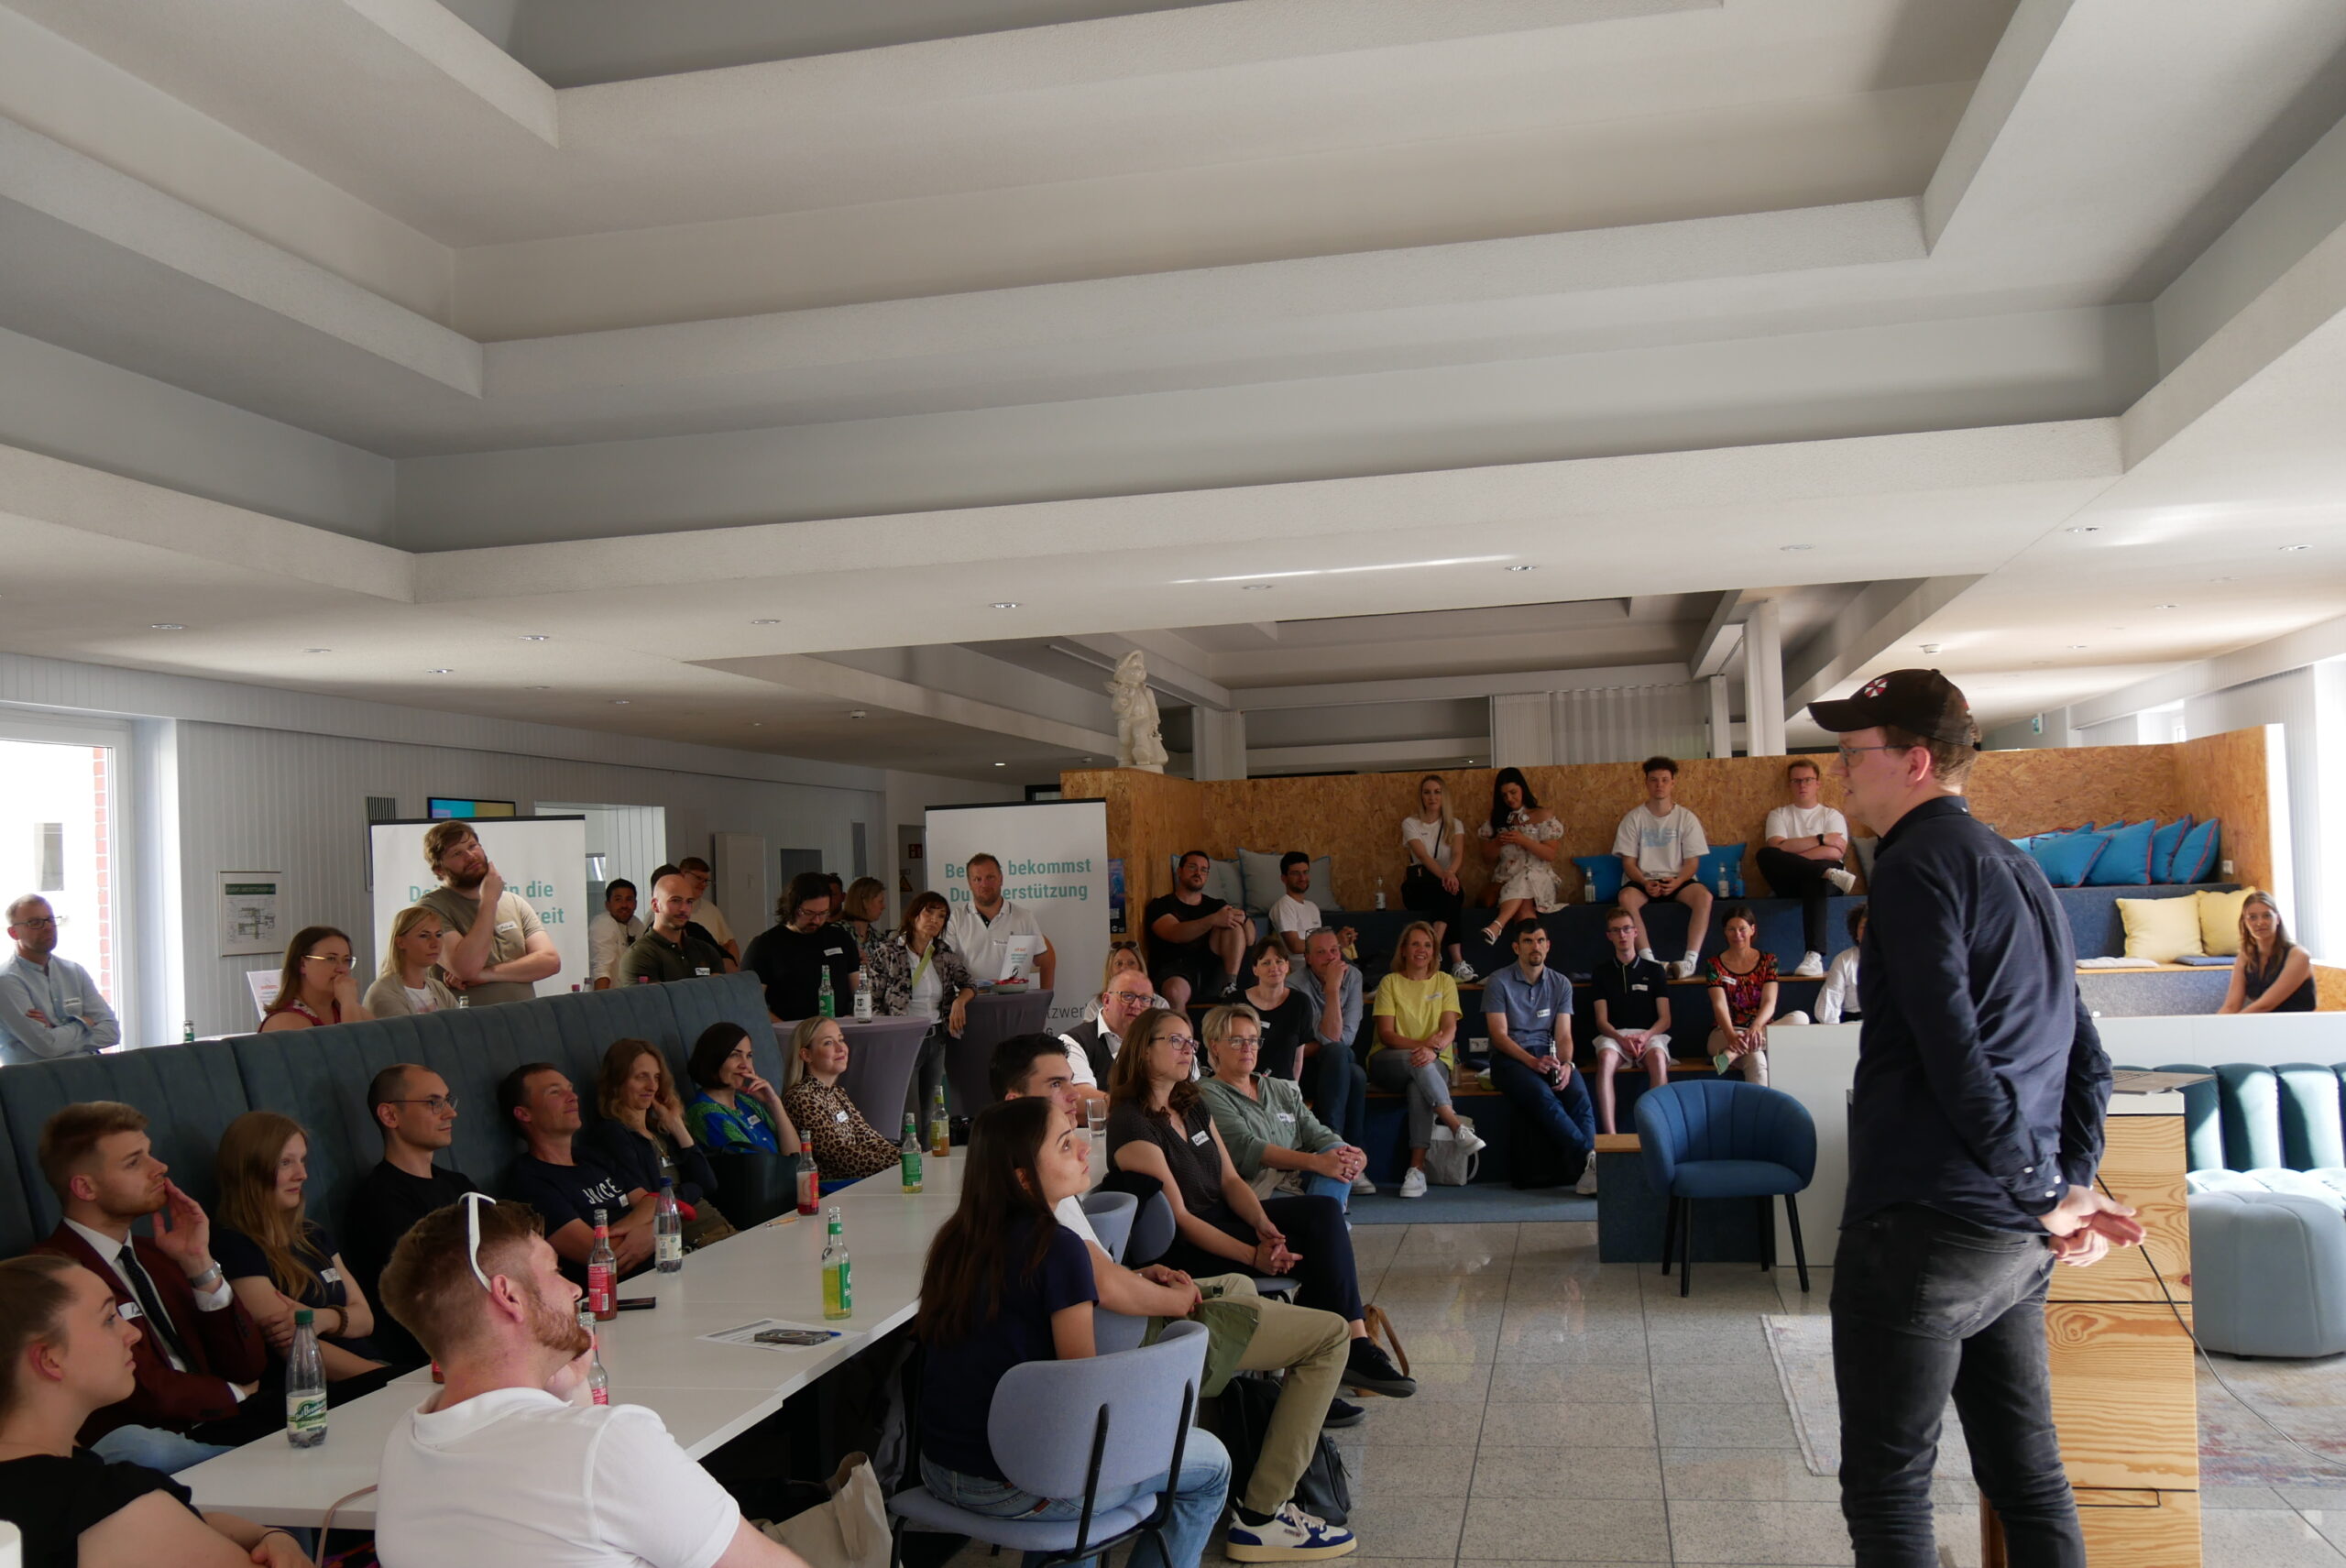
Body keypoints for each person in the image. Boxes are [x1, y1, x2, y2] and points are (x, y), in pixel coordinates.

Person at [1810, 667, 2139, 1568]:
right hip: (2007, 1244)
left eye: (1852, 754)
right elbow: (2087, 1057)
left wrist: (2045, 1191)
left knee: (1888, 1488)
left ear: (1915, 760)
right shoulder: (2018, 865)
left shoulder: (1915, 867)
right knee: (2027, 1478)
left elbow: (1952, 1053)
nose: (1840, 772)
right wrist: (2063, 1185)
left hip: (1923, 1228)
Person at [992, 1037, 1392, 1538]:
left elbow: (1102, 1276)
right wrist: (1177, 1297)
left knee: (1241, 1285)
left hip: (1108, 1338)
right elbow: (1090, 1350)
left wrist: (1151, 1275)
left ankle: (1236, 1405)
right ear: (1016, 1106)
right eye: (1056, 1085)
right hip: (1120, 1354)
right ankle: (1264, 1514)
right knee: (1328, 1334)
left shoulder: (1021, 1194)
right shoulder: (1069, 1188)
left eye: (1070, 1082)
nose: (1073, 1096)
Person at [373, 1196, 806, 1568]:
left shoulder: (404, 1443)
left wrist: (569, 1394)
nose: (574, 1290)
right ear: (509, 1296)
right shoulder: (609, 1445)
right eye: (555, 1270)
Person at [912, 1096, 1253, 1568]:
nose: (1082, 1152)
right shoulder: (1058, 1248)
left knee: (1064, 1454)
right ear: (1023, 1178)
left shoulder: (953, 1241)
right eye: (1065, 1145)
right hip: (1016, 1484)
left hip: (938, 1468)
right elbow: (1082, 1396)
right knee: (1212, 1465)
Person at [1107, 1012, 1407, 1399]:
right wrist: (1254, 1256)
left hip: (1223, 1217)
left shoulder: (1191, 1104)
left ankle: (1347, 1350)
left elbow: (1230, 1180)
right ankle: (1320, 1375)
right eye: (1176, 1041)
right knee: (1315, 1250)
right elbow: (1180, 1219)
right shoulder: (1132, 1124)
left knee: (1322, 1214)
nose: (1187, 1050)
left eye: (1190, 1042)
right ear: (1144, 1051)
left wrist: (1265, 1226)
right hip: (1187, 1246)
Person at [0, 1254, 314, 1568]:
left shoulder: (74, 1484)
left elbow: (182, 1521)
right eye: (109, 1319)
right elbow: (148, 1521)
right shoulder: (99, 1500)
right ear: (50, 1359)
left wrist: (267, 1535)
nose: (132, 1334)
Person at [31, 1102, 266, 1471]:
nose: (160, 1168)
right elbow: (135, 1388)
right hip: (151, 1442)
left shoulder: (160, 1254)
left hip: (223, 1421)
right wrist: (234, 1394)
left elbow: (247, 1362)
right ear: (84, 1187)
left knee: (369, 1395)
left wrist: (200, 1265)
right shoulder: (54, 1273)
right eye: (134, 1162)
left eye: (150, 1153)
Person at [211, 1111, 388, 1394]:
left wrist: (323, 1318)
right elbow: (296, 1347)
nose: (302, 1174)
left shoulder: (312, 1234)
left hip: (373, 1373)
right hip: (321, 1393)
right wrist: (388, 1378)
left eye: (302, 1160)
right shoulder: (235, 1246)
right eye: (285, 1163)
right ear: (249, 1171)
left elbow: (366, 1319)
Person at [345, 1065, 479, 1367]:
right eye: (434, 1103)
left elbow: (505, 1248)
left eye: (448, 1100)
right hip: (432, 1355)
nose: (450, 1113)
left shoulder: (459, 1184)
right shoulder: (378, 1199)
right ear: (390, 1115)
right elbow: (436, 1285)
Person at [497, 1064, 655, 1281]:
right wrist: (658, 1231)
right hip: (618, 1294)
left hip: (665, 1267)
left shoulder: (593, 1157)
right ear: (524, 1114)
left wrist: (648, 1229)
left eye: (570, 1089)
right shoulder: (528, 1181)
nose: (573, 1097)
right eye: (555, 1092)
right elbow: (604, 1256)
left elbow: (653, 1202)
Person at [1200, 1005, 1367, 1211]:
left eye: (1253, 1040)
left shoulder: (1279, 1088)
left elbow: (1318, 1133)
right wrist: (1316, 1162)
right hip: (1256, 1191)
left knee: (1337, 1154)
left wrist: (1353, 1155)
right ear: (1215, 1046)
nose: (1248, 1047)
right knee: (1325, 1193)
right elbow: (1247, 1146)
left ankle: (1326, 1221)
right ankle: (1326, 1222)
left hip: (1295, 1183)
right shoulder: (1207, 1092)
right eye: (1236, 1040)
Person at [1367, 921, 1483, 1199]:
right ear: (1404, 950)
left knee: (1418, 1084)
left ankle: (1416, 1170)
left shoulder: (1444, 981)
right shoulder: (1390, 982)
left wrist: (1435, 1049)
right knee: (1417, 1062)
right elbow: (1387, 1035)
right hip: (1388, 1062)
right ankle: (1456, 1126)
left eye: (1428, 945)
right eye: (1415, 944)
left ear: (1434, 952)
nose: (1421, 950)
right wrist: (1424, 1048)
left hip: (1433, 1063)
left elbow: (1450, 1028)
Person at [1483, 920, 1598, 1194]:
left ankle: (1591, 1166)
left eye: (1540, 941)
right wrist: (1531, 1062)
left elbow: (1564, 1036)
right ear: (1516, 947)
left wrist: (1568, 1065)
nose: (1535, 946)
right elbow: (1499, 1036)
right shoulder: (1499, 981)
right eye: (1528, 941)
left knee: (1579, 1095)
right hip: (1509, 1059)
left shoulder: (1560, 983)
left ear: (1548, 946)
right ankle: (1591, 1161)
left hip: (1549, 1056)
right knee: (1543, 1097)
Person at [581, 1038, 727, 1239]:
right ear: (617, 1081)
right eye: (642, 1077)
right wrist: (692, 1189)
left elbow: (708, 1183)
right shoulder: (613, 1133)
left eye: (657, 1078)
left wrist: (677, 1126)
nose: (652, 1086)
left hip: (714, 1223)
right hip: (687, 1237)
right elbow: (651, 1202)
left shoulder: (660, 1131)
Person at [416, 821, 559, 1005]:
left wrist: (486, 974)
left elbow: (550, 961)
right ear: (439, 869)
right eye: (457, 853)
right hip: (469, 1025)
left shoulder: (514, 902)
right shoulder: (430, 909)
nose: (470, 856)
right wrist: (489, 901)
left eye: (472, 846)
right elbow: (465, 968)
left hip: (523, 1020)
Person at [865, 890, 977, 1121]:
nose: (935, 920)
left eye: (941, 916)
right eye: (930, 913)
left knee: (932, 1109)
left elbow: (969, 983)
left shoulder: (943, 952)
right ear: (914, 915)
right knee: (909, 1110)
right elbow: (871, 999)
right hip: (902, 1039)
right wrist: (888, 1032)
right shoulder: (888, 952)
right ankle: (913, 1155)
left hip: (936, 1036)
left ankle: (931, 1154)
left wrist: (960, 1001)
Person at [1612, 755, 1714, 980]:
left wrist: (1677, 882)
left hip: (1678, 880)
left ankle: (1689, 962)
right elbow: (1628, 863)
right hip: (1643, 879)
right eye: (1654, 780)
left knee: (1704, 897)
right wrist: (1644, 882)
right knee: (1626, 898)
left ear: (1672, 783)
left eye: (1664, 780)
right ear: (1646, 783)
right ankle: (1649, 960)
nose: (1659, 785)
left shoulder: (1686, 818)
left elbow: (1692, 863)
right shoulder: (1633, 818)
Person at [1760, 757, 1859, 978]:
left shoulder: (1831, 815)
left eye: (1807, 780)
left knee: (1813, 878)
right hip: (1791, 882)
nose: (1802, 785)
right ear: (1789, 784)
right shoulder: (1779, 815)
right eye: (1796, 781)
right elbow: (1775, 847)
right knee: (1766, 854)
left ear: (1818, 783)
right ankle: (1825, 871)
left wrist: (1791, 850)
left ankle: (1814, 956)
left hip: (1827, 883)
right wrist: (1822, 838)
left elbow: (1835, 852)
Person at [0, 894, 120, 1065]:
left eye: (50, 920)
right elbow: (47, 1046)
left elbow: (112, 1032)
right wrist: (83, 1023)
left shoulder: (74, 972)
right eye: (35, 923)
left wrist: (56, 1031)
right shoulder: (6, 981)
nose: (47, 927)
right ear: (13, 933)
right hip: (34, 1083)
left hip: (86, 1077)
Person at [781, 1017, 900, 1182]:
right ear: (806, 1055)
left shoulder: (836, 1093)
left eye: (841, 1040)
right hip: (834, 1190)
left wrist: (906, 1156)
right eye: (828, 1043)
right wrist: (899, 1164)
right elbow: (840, 1154)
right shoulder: (802, 1098)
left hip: (858, 1182)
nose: (840, 1048)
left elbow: (869, 1138)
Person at [1589, 906, 1672, 1135]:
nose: (1622, 935)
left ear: (1635, 932)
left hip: (1650, 1034)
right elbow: (1601, 1021)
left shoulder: (1655, 971)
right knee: (1605, 1058)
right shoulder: (1601, 973)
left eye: (1626, 929)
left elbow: (1665, 1019)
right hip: (1614, 1036)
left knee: (1657, 1057)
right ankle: (1611, 1135)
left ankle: (1659, 1132)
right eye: (1616, 931)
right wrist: (1620, 1039)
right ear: (1609, 936)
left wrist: (1645, 1036)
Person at [1289, 929, 1369, 1159]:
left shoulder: (1353, 976)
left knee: (1338, 1054)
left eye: (1334, 950)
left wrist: (1333, 988)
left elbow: (1345, 1038)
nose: (1331, 957)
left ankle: (1334, 1147)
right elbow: (1330, 1038)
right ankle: (1344, 1151)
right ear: (1308, 958)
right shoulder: (1295, 985)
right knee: (1355, 1075)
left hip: (1335, 1060)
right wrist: (1332, 989)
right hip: (1305, 1068)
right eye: (1321, 952)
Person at [741, 872, 863, 1022]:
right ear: (792, 907)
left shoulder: (840, 938)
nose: (816, 920)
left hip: (837, 1032)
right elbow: (750, 1005)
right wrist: (789, 1031)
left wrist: (854, 1017)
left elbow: (859, 991)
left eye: (823, 913)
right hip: (788, 1033)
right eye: (809, 913)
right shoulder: (765, 945)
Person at [1146, 850, 1255, 1010]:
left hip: (1212, 971)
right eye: (1192, 867)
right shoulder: (1160, 905)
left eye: (1204, 870)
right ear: (1180, 871)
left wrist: (1243, 919)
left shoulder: (1217, 905)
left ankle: (1230, 985)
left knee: (1233, 925)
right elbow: (1175, 933)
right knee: (1175, 992)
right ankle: (1182, 1033)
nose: (1198, 873)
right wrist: (1212, 920)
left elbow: (1250, 939)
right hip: (1175, 969)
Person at [1474, 768, 1564, 947]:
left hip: (1540, 878)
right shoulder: (1496, 821)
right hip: (1507, 880)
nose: (1509, 798)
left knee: (1526, 876)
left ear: (1523, 789)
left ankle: (1497, 925)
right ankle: (1534, 958)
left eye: (1513, 792)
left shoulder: (1543, 816)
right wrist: (1498, 843)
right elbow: (1487, 858)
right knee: (1524, 909)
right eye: (1504, 795)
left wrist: (1524, 840)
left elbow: (1550, 854)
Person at [682, 1023, 801, 1155]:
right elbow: (754, 1167)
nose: (745, 1065)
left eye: (749, 1056)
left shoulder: (747, 1102)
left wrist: (774, 1103)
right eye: (735, 1055)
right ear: (713, 1059)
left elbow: (796, 1156)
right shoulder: (703, 1112)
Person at [1400, 773, 1475, 981]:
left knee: (1451, 894)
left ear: (1444, 796)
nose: (1432, 797)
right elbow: (1423, 856)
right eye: (1427, 792)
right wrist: (1446, 875)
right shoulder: (1410, 823)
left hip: (1445, 883)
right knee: (1452, 893)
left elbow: (1458, 854)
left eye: (1437, 792)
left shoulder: (1454, 824)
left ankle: (1444, 954)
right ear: (1421, 797)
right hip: (1418, 886)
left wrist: (1449, 873)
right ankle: (1450, 958)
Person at [948, 852, 1058, 990]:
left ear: (1001, 879)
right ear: (969, 883)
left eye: (990, 877)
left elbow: (1045, 960)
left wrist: (1044, 999)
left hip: (1012, 1003)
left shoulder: (1024, 917)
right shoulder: (956, 918)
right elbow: (946, 965)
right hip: (970, 1004)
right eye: (977, 879)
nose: (984, 884)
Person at [1704, 905, 1787, 1085]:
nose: (1737, 934)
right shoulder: (1714, 964)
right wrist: (1731, 1035)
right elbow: (1719, 1005)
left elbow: (1769, 1002)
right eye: (1731, 929)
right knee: (1756, 1058)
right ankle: (1761, 1113)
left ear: (1752, 930)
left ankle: (1731, 1054)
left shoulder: (1769, 961)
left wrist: (1756, 1027)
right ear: (1725, 932)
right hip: (1724, 1033)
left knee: (1801, 1019)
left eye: (1742, 929)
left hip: (1761, 1031)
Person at [1058, 970, 1155, 1113]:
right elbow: (1079, 1098)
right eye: (1127, 996)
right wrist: (1144, 1112)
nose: (1136, 1005)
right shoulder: (1073, 1041)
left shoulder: (1159, 1039)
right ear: (1107, 1000)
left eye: (1145, 999)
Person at [614, 871, 730, 987]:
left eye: (689, 902)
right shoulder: (640, 956)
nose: (684, 908)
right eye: (675, 900)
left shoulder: (706, 951)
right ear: (655, 905)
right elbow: (655, 1002)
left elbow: (719, 997)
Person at [258, 925, 371, 1032]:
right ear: (302, 964)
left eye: (346, 960)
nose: (342, 969)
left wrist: (349, 1003)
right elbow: (353, 1051)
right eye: (331, 959)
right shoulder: (285, 1021)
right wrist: (348, 1003)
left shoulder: (350, 1009)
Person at [2220, 891, 2315, 1014]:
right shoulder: (2245, 956)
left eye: (2267, 916)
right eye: (2252, 917)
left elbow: (2265, 1005)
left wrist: (2232, 1025)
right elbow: (2231, 1006)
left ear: (2278, 919)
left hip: (2297, 1027)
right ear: (2245, 922)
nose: (2260, 922)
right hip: (2264, 1025)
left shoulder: (2298, 955)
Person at [1238, 937, 1317, 1081]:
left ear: (1287, 966)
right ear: (1255, 969)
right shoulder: (1236, 1001)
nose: (1274, 967)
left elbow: (1298, 1058)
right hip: (1242, 1086)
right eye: (1266, 963)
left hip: (1282, 1088)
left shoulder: (1300, 1002)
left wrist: (1294, 1091)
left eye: (1279, 961)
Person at [364, 905, 461, 1018]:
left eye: (439, 935)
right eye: (424, 936)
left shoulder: (438, 988)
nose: (435, 943)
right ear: (400, 943)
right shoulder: (383, 992)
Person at [1266, 852, 1354, 961]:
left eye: (1305, 872)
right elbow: (1295, 946)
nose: (1302, 878)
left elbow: (1319, 943)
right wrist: (1335, 940)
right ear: (1284, 878)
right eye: (1295, 873)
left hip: (1323, 961)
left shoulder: (1312, 907)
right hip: (1305, 967)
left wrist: (1343, 940)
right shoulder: (1284, 905)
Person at [676, 855, 741, 966]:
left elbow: (730, 943)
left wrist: (733, 973)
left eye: (706, 880)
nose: (704, 884)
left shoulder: (711, 910)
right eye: (699, 878)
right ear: (682, 875)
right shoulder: (661, 913)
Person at [1080, 946, 1170, 1023]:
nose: (1125, 968)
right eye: (1119, 964)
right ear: (1110, 970)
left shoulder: (1160, 1004)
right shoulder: (1095, 1006)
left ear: (1140, 968)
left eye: (1131, 963)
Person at [1815, 905, 1867, 1025]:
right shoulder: (1844, 960)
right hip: (1854, 1025)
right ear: (1856, 934)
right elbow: (1828, 1007)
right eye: (1864, 927)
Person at [586, 879, 642, 990]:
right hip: (610, 998)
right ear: (607, 905)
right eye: (618, 900)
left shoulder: (637, 924)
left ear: (635, 904)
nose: (624, 905)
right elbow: (601, 970)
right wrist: (601, 1004)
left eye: (629, 899)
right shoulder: (603, 924)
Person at [839, 876, 890, 968]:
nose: (883, 906)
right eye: (880, 901)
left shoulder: (880, 939)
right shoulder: (837, 933)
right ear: (865, 902)